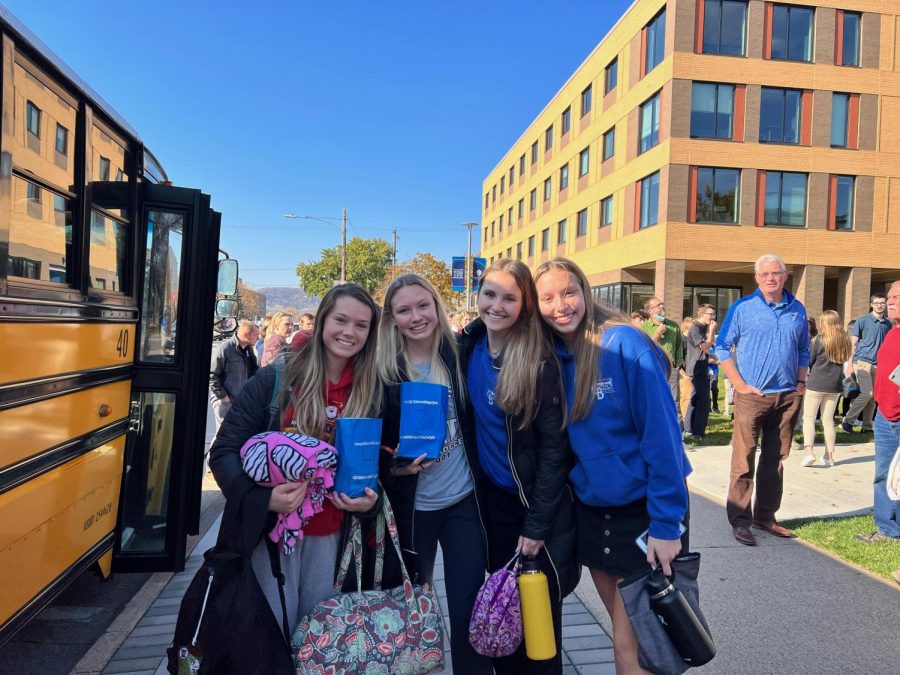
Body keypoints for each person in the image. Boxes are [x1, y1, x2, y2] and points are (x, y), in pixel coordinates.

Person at [534, 258, 690, 675]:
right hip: (594, 509)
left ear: (585, 291)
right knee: (628, 636)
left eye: (568, 292)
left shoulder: (623, 343)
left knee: (632, 645)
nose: (561, 305)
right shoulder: (552, 356)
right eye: (547, 298)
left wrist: (666, 523)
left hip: (643, 513)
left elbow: (663, 439)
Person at [209, 284, 384, 638]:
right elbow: (223, 451)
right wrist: (264, 499)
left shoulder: (372, 388)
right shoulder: (277, 377)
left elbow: (375, 466)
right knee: (269, 638)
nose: (349, 332)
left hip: (334, 537)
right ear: (321, 322)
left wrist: (369, 501)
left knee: (318, 643)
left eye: (361, 325)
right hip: (270, 537)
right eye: (341, 320)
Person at [459, 258, 578, 675]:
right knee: (502, 618)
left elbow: (554, 451)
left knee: (538, 634)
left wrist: (538, 524)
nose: (497, 305)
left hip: (531, 509)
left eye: (510, 298)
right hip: (490, 506)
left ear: (524, 305)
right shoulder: (469, 346)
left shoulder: (537, 361)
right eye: (489, 294)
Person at [377, 274, 492, 674]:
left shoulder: (460, 354)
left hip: (461, 503)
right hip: (411, 511)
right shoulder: (383, 370)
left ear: (436, 307)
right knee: (412, 615)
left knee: (468, 611)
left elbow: (491, 325)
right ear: (391, 318)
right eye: (404, 310)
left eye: (423, 305)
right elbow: (368, 442)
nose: (416, 316)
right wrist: (395, 467)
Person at [714, 253, 809, 546]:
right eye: (765, 273)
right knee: (743, 458)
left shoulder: (798, 309)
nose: (771, 278)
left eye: (776, 273)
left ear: (785, 275)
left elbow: (804, 349)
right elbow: (721, 347)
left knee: (775, 459)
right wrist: (739, 384)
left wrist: (801, 382)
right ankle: (740, 520)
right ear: (757, 278)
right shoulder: (742, 308)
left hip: (787, 396)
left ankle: (765, 516)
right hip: (753, 397)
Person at [856, 280, 900, 543]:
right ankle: (888, 528)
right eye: (890, 296)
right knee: (884, 474)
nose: (890, 300)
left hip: (895, 417)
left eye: (896, 296)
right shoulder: (893, 332)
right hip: (886, 417)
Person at [800, 311, 852, 468]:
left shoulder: (819, 339)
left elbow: (810, 360)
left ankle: (809, 452)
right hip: (835, 384)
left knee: (808, 418)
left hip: (816, 382)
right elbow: (844, 359)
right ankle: (829, 456)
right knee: (828, 420)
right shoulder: (845, 340)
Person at [841, 293, 890, 434]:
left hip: (878, 365)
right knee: (867, 393)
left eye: (882, 303)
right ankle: (848, 421)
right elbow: (852, 343)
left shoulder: (887, 324)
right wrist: (850, 364)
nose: (880, 305)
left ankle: (867, 427)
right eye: (877, 303)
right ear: (871, 305)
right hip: (861, 362)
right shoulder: (863, 320)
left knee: (874, 397)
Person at [209, 320, 260, 444]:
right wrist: (224, 399)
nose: (258, 338)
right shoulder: (225, 349)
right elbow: (212, 376)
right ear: (247, 335)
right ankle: (212, 461)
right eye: (256, 335)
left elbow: (254, 372)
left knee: (234, 435)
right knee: (223, 434)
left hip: (239, 402)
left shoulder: (248, 350)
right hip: (224, 402)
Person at [640, 298, 685, 429]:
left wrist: (678, 364)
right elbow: (645, 346)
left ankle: (677, 431)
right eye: (658, 305)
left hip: (671, 368)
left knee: (673, 400)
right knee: (653, 399)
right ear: (650, 310)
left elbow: (678, 347)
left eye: (662, 304)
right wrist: (658, 332)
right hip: (651, 368)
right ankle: (655, 429)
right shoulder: (643, 327)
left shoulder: (673, 325)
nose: (662, 307)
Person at [684, 304, 717, 440]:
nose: (713, 317)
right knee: (699, 400)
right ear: (702, 314)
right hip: (695, 369)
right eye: (710, 314)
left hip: (702, 368)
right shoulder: (696, 328)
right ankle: (691, 431)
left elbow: (707, 348)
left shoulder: (704, 328)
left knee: (700, 400)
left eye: (714, 314)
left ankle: (695, 431)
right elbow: (705, 348)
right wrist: (711, 330)